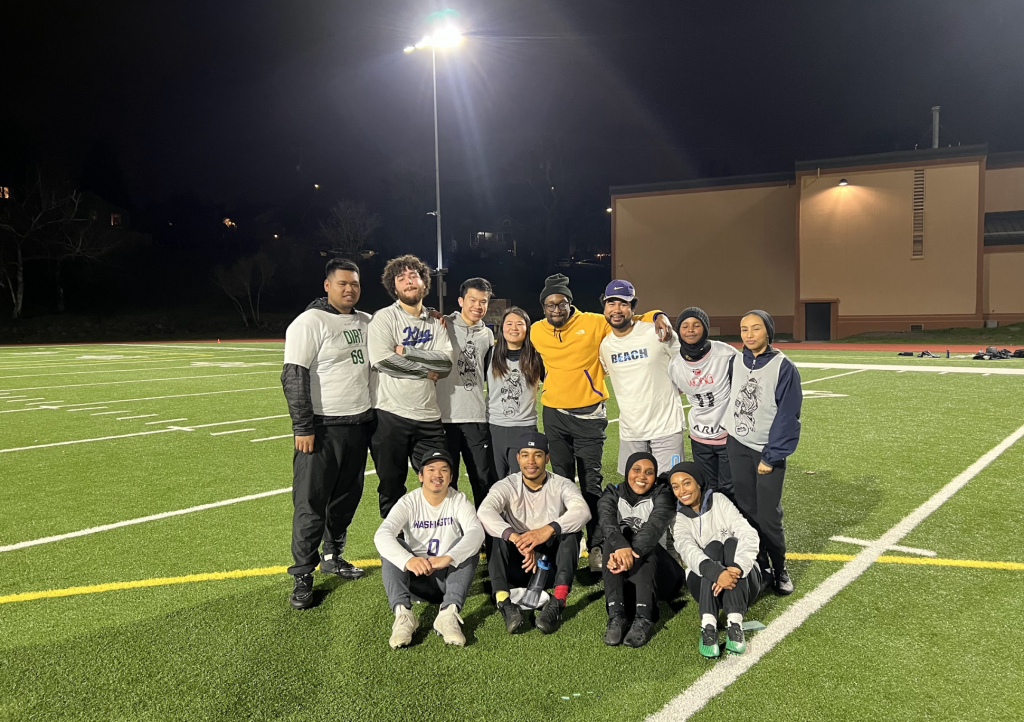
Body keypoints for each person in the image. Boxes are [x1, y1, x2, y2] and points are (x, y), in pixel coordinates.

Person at [530, 273, 671, 572]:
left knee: (590, 482)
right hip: (553, 413)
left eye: (562, 303)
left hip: (589, 415)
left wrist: (658, 314)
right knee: (560, 481)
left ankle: (596, 544)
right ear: (543, 307)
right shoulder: (536, 331)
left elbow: (631, 319)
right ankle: (568, 541)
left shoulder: (594, 322)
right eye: (550, 305)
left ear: (570, 303)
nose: (556, 309)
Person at [282, 258, 374, 610]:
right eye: (342, 283)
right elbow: (293, 376)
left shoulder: (366, 321)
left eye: (355, 283)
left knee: (346, 499)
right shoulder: (309, 322)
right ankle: (302, 574)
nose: (349, 289)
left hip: (359, 425)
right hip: (321, 428)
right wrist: (303, 426)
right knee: (311, 502)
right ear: (327, 285)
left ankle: (333, 555)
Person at [477, 432, 591, 635]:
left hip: (550, 565)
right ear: (518, 458)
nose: (531, 461)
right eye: (525, 455)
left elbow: (583, 511)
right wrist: (516, 538)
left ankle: (558, 600)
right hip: (519, 560)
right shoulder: (507, 485)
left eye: (537, 455)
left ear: (547, 458)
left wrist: (546, 531)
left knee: (572, 532)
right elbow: (484, 512)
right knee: (495, 532)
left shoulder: (561, 484)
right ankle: (504, 602)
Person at [374, 444, 484, 649]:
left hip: (447, 579)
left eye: (444, 470)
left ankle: (448, 614)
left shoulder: (458, 500)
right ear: (421, 476)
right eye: (431, 469)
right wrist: (409, 560)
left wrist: (449, 557)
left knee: (468, 545)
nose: (437, 475)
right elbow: (382, 534)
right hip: (415, 580)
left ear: (451, 477)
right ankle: (403, 615)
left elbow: (476, 532)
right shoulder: (409, 501)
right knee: (393, 545)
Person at [368, 255, 453, 519]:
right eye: (401, 278)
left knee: (439, 481)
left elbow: (446, 363)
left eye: (413, 276)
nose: (408, 281)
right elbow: (383, 360)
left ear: (424, 282)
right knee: (391, 486)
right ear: (394, 286)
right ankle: (395, 541)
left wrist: (407, 351)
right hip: (390, 416)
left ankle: (437, 535)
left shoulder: (436, 321)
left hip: (428, 417)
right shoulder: (384, 318)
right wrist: (425, 372)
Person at [724, 310, 802, 595]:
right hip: (737, 446)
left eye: (756, 328)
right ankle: (760, 564)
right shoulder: (735, 360)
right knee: (746, 510)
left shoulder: (784, 366)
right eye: (744, 329)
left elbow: (788, 416)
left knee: (768, 515)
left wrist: (771, 456)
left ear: (768, 331)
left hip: (766, 452)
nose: (749, 334)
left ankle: (780, 568)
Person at [668, 462, 768, 658]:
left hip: (743, 583)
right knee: (712, 548)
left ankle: (735, 624)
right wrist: (717, 573)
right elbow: (687, 550)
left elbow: (748, 533)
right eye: (676, 487)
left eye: (687, 483)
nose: (682, 491)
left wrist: (737, 568)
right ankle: (708, 626)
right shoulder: (677, 518)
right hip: (705, 587)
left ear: (698, 483)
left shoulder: (719, 500)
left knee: (731, 543)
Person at [599, 280, 687, 475]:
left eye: (623, 304)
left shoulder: (657, 333)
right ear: (604, 307)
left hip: (666, 427)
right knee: (635, 486)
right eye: (611, 303)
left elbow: (683, 363)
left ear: (633, 307)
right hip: (631, 430)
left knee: (669, 483)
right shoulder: (605, 346)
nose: (616, 310)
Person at [597, 452, 683, 648]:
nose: (642, 476)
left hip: (663, 576)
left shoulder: (663, 495)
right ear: (627, 471)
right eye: (636, 470)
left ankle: (644, 617)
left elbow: (653, 528)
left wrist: (630, 551)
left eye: (649, 472)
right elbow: (606, 521)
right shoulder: (611, 493)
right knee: (613, 540)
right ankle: (616, 615)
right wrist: (621, 548)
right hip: (626, 575)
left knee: (645, 545)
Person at [667, 307, 741, 499]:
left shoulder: (726, 354)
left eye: (696, 325)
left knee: (730, 488)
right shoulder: (675, 364)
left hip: (728, 435)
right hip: (699, 436)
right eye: (685, 326)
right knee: (707, 488)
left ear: (705, 328)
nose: (690, 330)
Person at [436, 277, 496, 508]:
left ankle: (487, 529)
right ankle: (451, 527)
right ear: (461, 301)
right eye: (472, 300)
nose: (478, 306)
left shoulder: (487, 335)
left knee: (483, 480)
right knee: (447, 483)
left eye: (483, 301)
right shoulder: (443, 325)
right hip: (444, 416)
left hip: (476, 417)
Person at [486, 306, 545, 477]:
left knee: (522, 483)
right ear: (502, 327)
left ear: (527, 328)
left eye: (519, 324)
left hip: (525, 428)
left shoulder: (536, 356)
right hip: (494, 428)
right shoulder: (490, 354)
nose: (514, 328)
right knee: (495, 483)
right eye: (509, 323)